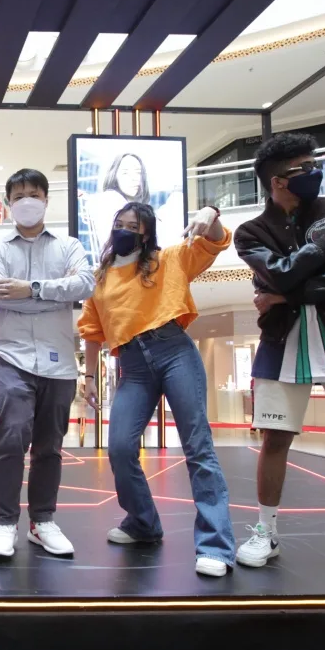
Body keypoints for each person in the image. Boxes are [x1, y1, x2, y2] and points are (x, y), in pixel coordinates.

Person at [78, 201, 236, 577]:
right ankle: (143, 523)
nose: (124, 230)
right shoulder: (100, 277)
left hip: (174, 351)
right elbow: (92, 330)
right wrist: (89, 377)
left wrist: (210, 214)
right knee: (120, 448)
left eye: (133, 226)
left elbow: (215, 242)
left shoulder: (169, 259)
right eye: (119, 223)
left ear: (146, 232)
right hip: (132, 367)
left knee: (198, 446)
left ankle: (215, 546)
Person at [233, 133, 325, 568]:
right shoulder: (250, 233)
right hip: (281, 342)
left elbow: (285, 283)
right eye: (305, 168)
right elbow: (277, 274)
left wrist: (283, 293)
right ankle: (267, 532)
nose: (316, 173)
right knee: (275, 439)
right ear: (278, 181)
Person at [0, 168, 95, 558]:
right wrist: (55, 295)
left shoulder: (69, 245)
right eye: (18, 196)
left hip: (59, 362)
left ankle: (42, 521)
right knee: (10, 437)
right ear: (8, 203)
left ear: (46, 200)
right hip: (11, 357)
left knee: (50, 446)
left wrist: (28, 289)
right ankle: (4, 523)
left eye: (34, 194)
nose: (26, 201)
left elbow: (85, 285)